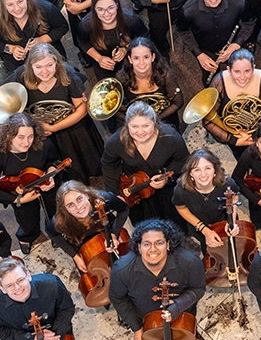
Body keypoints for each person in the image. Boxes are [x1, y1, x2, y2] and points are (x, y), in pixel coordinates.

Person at [108, 219, 206, 340]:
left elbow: (198, 289)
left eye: (159, 243)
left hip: (182, 313)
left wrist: (177, 306)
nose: (153, 249)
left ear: (168, 244)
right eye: (146, 244)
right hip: (146, 318)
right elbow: (117, 297)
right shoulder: (122, 270)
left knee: (185, 337)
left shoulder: (190, 262)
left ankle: (193, 334)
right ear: (139, 247)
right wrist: (136, 327)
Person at [10, 44, 103, 184]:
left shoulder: (68, 74)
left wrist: (53, 128)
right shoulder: (20, 76)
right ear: (30, 66)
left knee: (79, 169)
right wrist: (37, 127)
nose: (45, 72)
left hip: (71, 129)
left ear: (56, 62)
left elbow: (82, 110)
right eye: (38, 67)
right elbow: (9, 103)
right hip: (39, 129)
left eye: (49, 65)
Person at [101, 102, 188, 225]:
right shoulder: (116, 142)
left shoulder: (171, 137)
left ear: (154, 122)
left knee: (174, 224)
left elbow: (183, 161)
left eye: (146, 125)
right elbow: (108, 165)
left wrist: (167, 178)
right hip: (136, 191)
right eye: (134, 126)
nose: (140, 132)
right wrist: (114, 193)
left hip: (165, 191)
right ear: (127, 125)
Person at [179, 0, 255, 81]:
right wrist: (199, 54)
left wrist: (237, 44)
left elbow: (249, 23)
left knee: (242, 78)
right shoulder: (188, 10)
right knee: (211, 82)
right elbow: (183, 31)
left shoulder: (238, 3)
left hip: (233, 45)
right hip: (206, 49)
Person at [203, 49, 261, 160]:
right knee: (242, 160)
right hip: (232, 134)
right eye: (237, 72)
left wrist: (256, 138)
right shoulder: (219, 82)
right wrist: (234, 140)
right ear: (229, 70)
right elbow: (207, 121)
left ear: (254, 68)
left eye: (247, 71)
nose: (243, 77)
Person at [0, 114, 60, 254]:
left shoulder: (43, 143)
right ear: (9, 135)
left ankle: (54, 232)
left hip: (44, 184)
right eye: (20, 137)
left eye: (30, 136)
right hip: (19, 191)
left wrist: (51, 173)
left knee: (53, 210)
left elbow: (54, 160)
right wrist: (18, 199)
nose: (26, 142)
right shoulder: (2, 153)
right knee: (27, 219)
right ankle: (27, 236)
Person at [48, 180, 129, 275]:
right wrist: (75, 256)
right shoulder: (60, 220)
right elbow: (52, 234)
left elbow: (124, 209)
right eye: (70, 205)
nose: (78, 207)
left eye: (79, 199)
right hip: (81, 242)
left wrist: (114, 233)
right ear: (65, 209)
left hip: (106, 231)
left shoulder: (103, 199)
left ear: (86, 195)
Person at [172, 149, 242, 253]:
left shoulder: (227, 184)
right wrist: (205, 230)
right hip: (199, 226)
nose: (203, 174)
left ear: (215, 170)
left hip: (224, 222)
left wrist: (231, 221)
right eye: (197, 170)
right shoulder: (181, 190)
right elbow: (181, 208)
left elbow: (234, 198)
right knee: (209, 253)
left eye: (208, 168)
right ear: (191, 173)